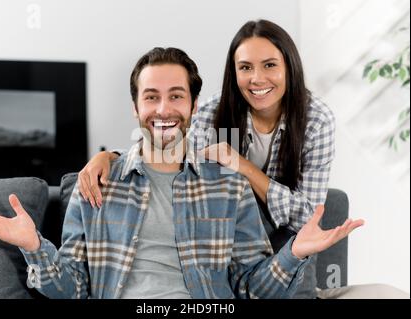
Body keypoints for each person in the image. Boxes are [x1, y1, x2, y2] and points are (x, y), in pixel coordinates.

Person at [0, 47, 363, 299]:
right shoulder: (97, 185)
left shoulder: (227, 185)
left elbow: (251, 288)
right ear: (135, 108)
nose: (163, 109)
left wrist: (294, 253)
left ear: (192, 106)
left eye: (176, 96)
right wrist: (34, 246)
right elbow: (73, 289)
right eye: (151, 97)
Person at [77, 19, 335, 298]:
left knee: (299, 257)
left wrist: (243, 167)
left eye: (270, 65)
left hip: (285, 230)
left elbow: (308, 217)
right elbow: (167, 150)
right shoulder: (214, 112)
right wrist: (109, 157)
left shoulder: (316, 121)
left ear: (290, 67)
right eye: (245, 67)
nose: (257, 79)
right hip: (225, 229)